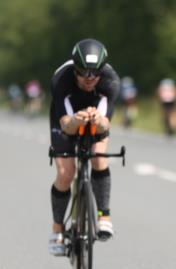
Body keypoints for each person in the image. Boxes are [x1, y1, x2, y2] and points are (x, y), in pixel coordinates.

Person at [48, 39, 121, 256]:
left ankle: (104, 216)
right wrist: (77, 121)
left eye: (94, 74)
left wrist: (97, 121)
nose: (89, 79)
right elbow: (65, 125)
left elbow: (106, 123)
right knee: (65, 172)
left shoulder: (111, 81)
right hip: (66, 119)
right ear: (75, 69)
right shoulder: (61, 79)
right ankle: (57, 229)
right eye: (82, 74)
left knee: (99, 157)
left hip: (95, 118)